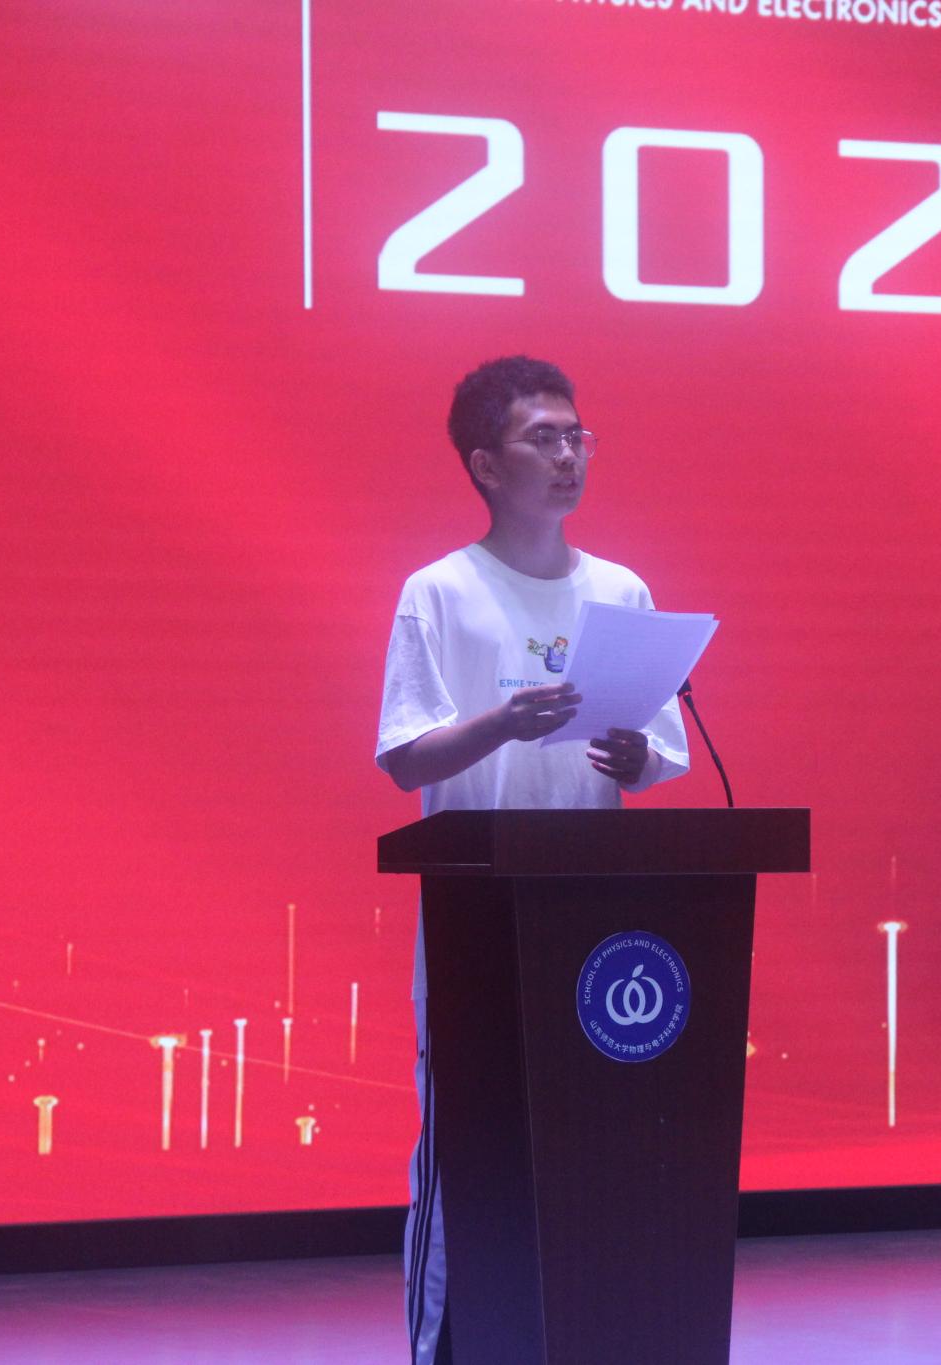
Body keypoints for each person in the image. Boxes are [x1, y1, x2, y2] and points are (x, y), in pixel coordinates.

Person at [374, 356, 690, 1364]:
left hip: (594, 923)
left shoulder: (620, 590)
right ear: (484, 463)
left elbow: (660, 749)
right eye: (542, 438)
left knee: (589, 1148)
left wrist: (637, 758)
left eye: (576, 436)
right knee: (465, 1155)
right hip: (476, 918)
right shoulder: (440, 591)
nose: (567, 456)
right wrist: (503, 722)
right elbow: (403, 756)